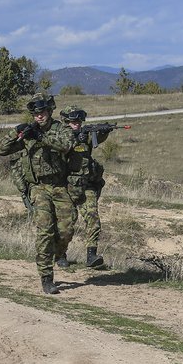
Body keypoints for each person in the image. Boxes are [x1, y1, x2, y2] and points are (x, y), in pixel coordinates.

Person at [0, 93, 76, 294]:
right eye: (35, 114)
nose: (39, 116)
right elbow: (1, 150)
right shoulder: (29, 131)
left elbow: (66, 146)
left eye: (42, 112)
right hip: (38, 188)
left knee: (66, 230)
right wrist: (16, 132)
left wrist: (41, 137)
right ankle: (47, 277)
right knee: (45, 230)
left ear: (50, 111)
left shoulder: (61, 129)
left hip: (59, 186)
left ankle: (59, 254)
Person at [60, 105, 107, 268]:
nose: (77, 124)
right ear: (66, 122)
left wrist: (103, 131)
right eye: (73, 121)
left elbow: (96, 140)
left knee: (93, 218)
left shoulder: (84, 135)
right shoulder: (59, 137)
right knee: (67, 223)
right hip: (66, 187)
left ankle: (91, 255)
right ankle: (60, 254)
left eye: (79, 121)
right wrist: (73, 140)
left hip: (86, 185)